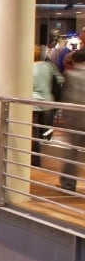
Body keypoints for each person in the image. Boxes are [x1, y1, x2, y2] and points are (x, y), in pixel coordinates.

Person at [33, 45, 63, 168]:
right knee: (46, 130)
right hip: (48, 103)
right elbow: (60, 80)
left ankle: (35, 161)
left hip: (33, 104)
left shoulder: (29, 67)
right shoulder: (49, 66)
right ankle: (45, 143)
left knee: (33, 133)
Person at [60, 49, 85, 192]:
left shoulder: (70, 74)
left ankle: (68, 184)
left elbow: (67, 96)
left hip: (74, 119)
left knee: (71, 153)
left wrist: (64, 116)